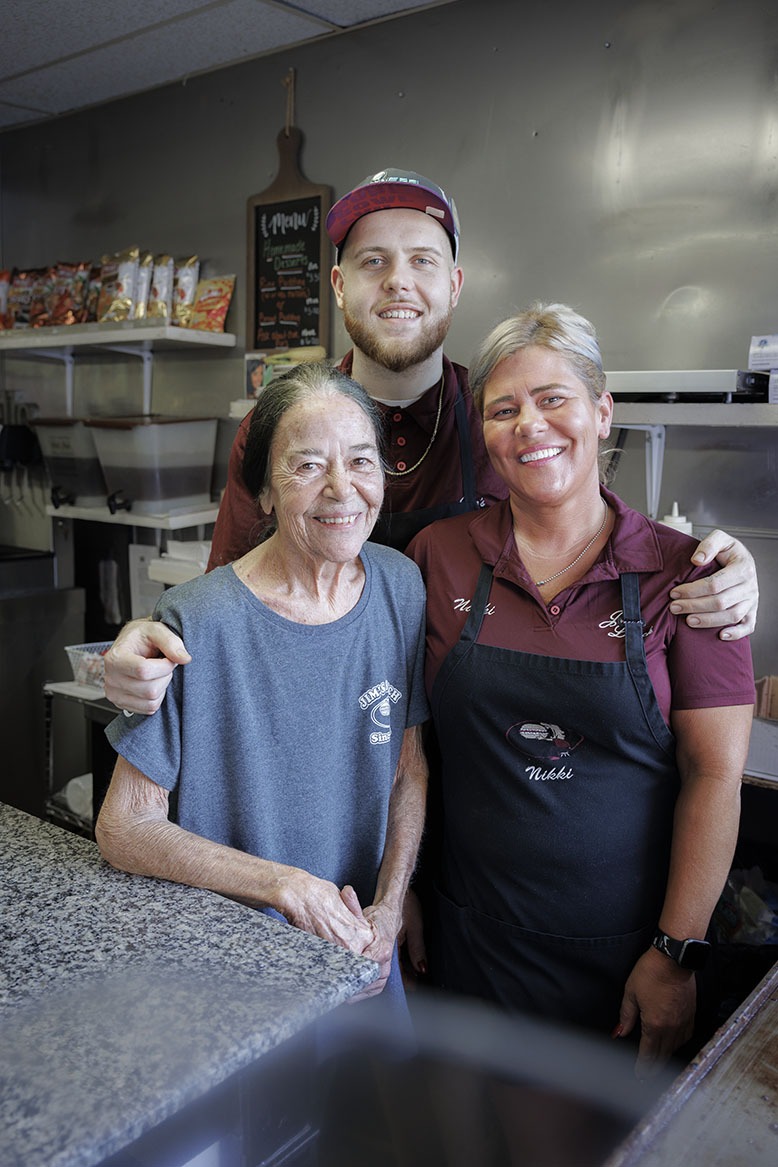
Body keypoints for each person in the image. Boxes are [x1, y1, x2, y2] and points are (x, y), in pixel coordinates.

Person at [103, 168, 757, 712]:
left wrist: (722, 569)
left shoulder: (500, 423)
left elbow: (598, 551)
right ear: (338, 287)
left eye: (422, 259)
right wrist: (146, 640)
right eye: (372, 262)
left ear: (454, 284)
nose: (397, 280)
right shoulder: (277, 426)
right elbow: (223, 594)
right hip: (314, 718)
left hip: (468, 746)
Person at [406, 303, 754, 1075]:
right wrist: (401, 890)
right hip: (464, 942)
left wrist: (676, 952)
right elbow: (403, 743)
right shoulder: (440, 555)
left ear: (602, 412)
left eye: (553, 398)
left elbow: (715, 775)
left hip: (621, 962)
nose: (529, 424)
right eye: (504, 408)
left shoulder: (690, 575)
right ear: (486, 435)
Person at [95, 364, 430, 1004]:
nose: (342, 490)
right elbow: (125, 827)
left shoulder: (400, 587)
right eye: (307, 466)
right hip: (229, 969)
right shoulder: (194, 621)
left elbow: (408, 768)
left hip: (359, 952)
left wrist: (389, 904)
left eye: (361, 461)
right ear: (266, 494)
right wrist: (287, 886)